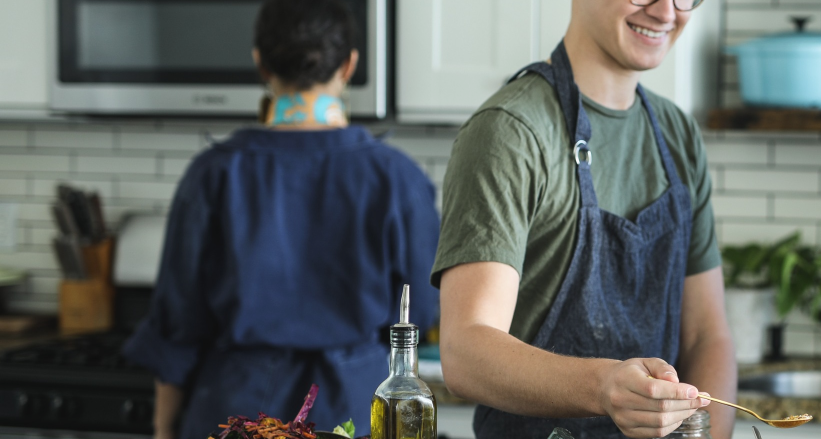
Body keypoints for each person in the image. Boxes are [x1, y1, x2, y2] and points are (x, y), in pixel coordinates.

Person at [121, 1, 440, 438]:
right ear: (348, 65)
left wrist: (163, 428)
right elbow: (418, 311)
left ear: (260, 64)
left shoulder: (212, 174)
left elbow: (178, 327)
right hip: (353, 411)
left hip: (235, 410)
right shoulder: (398, 178)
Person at [429, 0, 737, 438]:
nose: (666, 12)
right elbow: (465, 351)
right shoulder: (510, 131)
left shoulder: (677, 134)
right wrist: (605, 386)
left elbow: (708, 335)